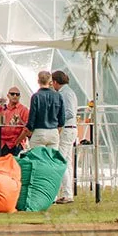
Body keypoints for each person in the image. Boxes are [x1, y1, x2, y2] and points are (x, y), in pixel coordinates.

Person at [51, 69, 79, 203]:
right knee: (66, 162)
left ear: (56, 82)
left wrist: (56, 120)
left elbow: (69, 113)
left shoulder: (64, 93)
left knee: (61, 161)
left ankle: (66, 193)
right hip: (71, 129)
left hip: (67, 129)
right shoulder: (69, 92)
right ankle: (68, 193)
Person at [26, 70, 67, 153]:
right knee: (51, 159)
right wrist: (59, 128)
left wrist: (29, 129)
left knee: (38, 158)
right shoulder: (58, 96)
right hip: (53, 131)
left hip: (39, 131)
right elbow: (62, 118)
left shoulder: (36, 96)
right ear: (50, 81)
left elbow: (32, 116)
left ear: (38, 81)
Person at [0, 87, 29, 156]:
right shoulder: (3, 108)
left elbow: (27, 128)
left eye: (17, 94)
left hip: (13, 142)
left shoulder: (23, 110)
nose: (15, 96)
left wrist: (17, 142)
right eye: (12, 94)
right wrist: (0, 108)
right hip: (0, 141)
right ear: (8, 95)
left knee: (7, 160)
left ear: (20, 96)